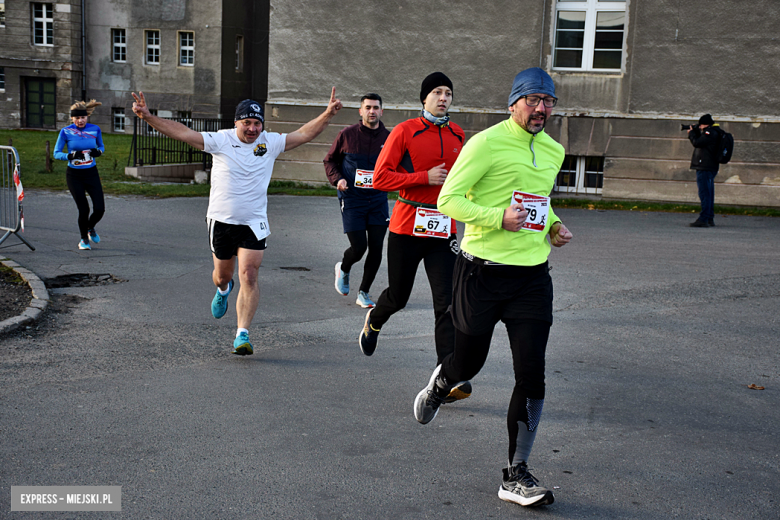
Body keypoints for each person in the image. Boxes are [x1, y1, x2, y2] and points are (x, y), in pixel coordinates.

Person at [412, 67, 573, 508]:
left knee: (532, 373)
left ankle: (515, 474)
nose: (541, 109)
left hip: (531, 278)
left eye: (549, 101)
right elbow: (449, 200)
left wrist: (554, 225)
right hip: (481, 273)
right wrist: (495, 217)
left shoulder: (555, 150)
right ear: (513, 103)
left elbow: (539, 200)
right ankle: (443, 382)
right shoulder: (484, 143)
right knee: (468, 363)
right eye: (533, 100)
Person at [131, 89, 343, 354]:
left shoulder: (271, 142)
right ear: (236, 123)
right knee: (223, 276)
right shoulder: (221, 140)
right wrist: (149, 117)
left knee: (250, 275)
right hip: (221, 221)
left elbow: (304, 134)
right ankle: (222, 291)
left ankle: (242, 334)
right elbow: (183, 133)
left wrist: (327, 114)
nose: (252, 129)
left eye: (257, 123)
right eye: (247, 123)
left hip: (254, 222)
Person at [357, 72, 471, 403]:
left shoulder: (458, 134)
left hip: (443, 229)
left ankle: (446, 377)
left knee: (447, 304)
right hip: (407, 226)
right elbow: (380, 178)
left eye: (448, 93)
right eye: (437, 92)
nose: (443, 97)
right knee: (399, 296)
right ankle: (374, 320)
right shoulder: (406, 131)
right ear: (424, 98)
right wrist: (425, 176)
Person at [324, 93, 391, 308]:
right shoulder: (347, 135)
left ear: (382, 111)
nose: (372, 111)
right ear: (360, 111)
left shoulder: (389, 138)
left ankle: (364, 292)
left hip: (378, 199)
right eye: (368, 107)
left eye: (376, 108)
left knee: (377, 247)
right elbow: (330, 160)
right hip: (352, 198)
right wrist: (338, 179)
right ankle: (343, 268)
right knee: (359, 246)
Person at [53, 100, 106, 251]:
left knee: (100, 209)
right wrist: (69, 156)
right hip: (74, 175)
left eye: (83, 117)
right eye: (77, 118)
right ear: (72, 119)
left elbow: (101, 146)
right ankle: (83, 239)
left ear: (87, 117)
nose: (80, 120)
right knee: (84, 210)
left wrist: (99, 152)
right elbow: (56, 153)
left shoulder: (95, 129)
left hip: (91, 173)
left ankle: (90, 227)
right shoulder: (66, 131)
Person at [687, 114, 721, 227]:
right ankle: (709, 217)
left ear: (705, 124)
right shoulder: (715, 132)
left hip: (705, 166)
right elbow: (701, 142)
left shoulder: (709, 133)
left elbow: (697, 143)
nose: (699, 127)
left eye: (701, 124)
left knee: (704, 193)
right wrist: (696, 132)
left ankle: (704, 219)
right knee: (709, 192)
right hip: (710, 166)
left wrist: (691, 133)